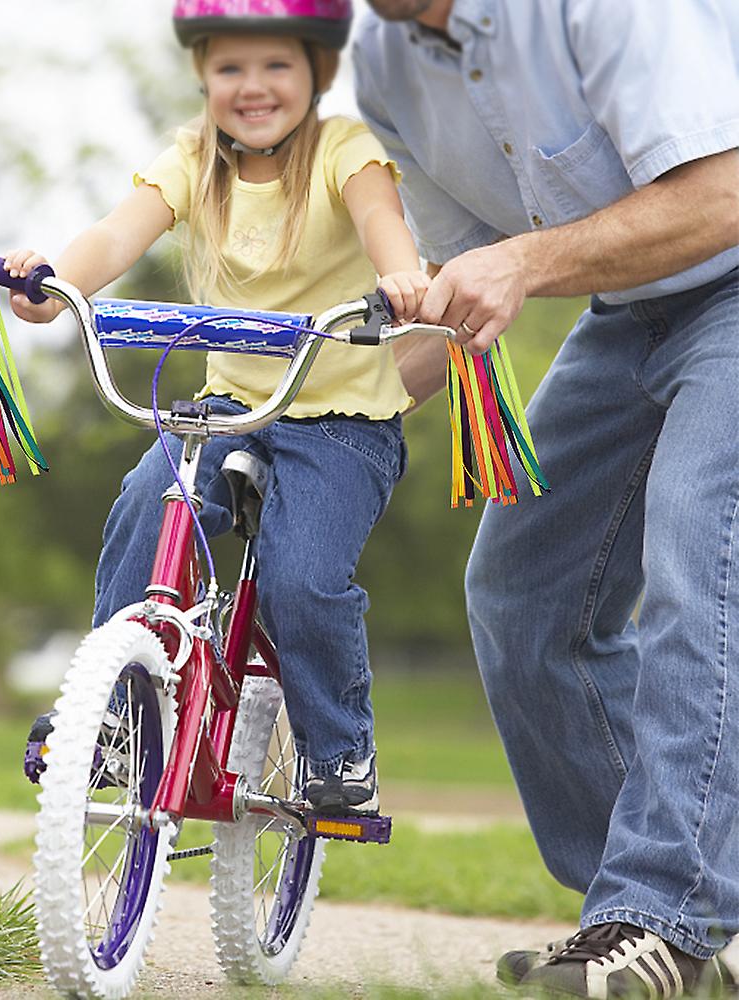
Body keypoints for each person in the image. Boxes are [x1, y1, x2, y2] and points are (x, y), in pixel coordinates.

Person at [354, 0, 739, 995]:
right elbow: (450, 290)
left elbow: (723, 192)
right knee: (524, 592)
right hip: (629, 309)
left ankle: (666, 914)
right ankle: (655, 912)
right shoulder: (381, 64)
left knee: (698, 563)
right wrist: (305, 415)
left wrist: (523, 261)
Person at [8, 0, 433, 816]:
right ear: (203, 75)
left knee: (301, 579)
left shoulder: (344, 149)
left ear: (320, 71)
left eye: (277, 65)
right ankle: (115, 723)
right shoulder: (195, 158)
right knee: (146, 507)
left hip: (342, 422)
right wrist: (55, 286)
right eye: (229, 67)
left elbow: (382, 217)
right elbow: (115, 236)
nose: (253, 86)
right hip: (231, 405)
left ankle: (340, 751)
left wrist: (401, 276)